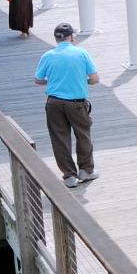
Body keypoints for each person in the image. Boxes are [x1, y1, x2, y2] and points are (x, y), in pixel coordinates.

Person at [34, 22, 99, 188]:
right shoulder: (81, 53)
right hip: (77, 103)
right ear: (71, 37)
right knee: (83, 135)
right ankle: (85, 170)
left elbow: (38, 80)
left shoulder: (47, 56)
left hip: (54, 103)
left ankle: (69, 176)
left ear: (56, 39)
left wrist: (53, 80)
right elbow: (95, 79)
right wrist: (83, 81)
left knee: (59, 139)